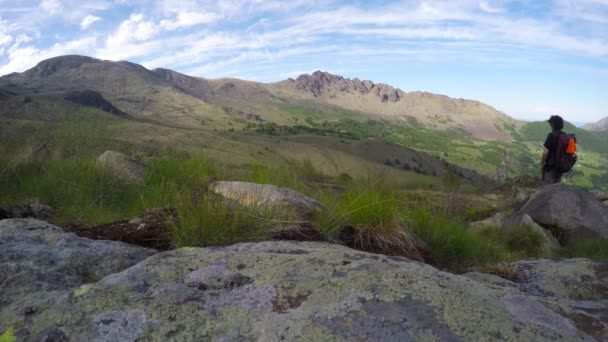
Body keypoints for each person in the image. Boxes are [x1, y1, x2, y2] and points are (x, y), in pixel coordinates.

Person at [540, 115, 565, 185]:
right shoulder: (564, 135)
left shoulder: (551, 135)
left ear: (553, 125)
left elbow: (545, 153)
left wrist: (541, 164)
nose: (550, 126)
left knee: (546, 189)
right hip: (560, 168)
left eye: (551, 124)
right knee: (556, 187)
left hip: (550, 168)